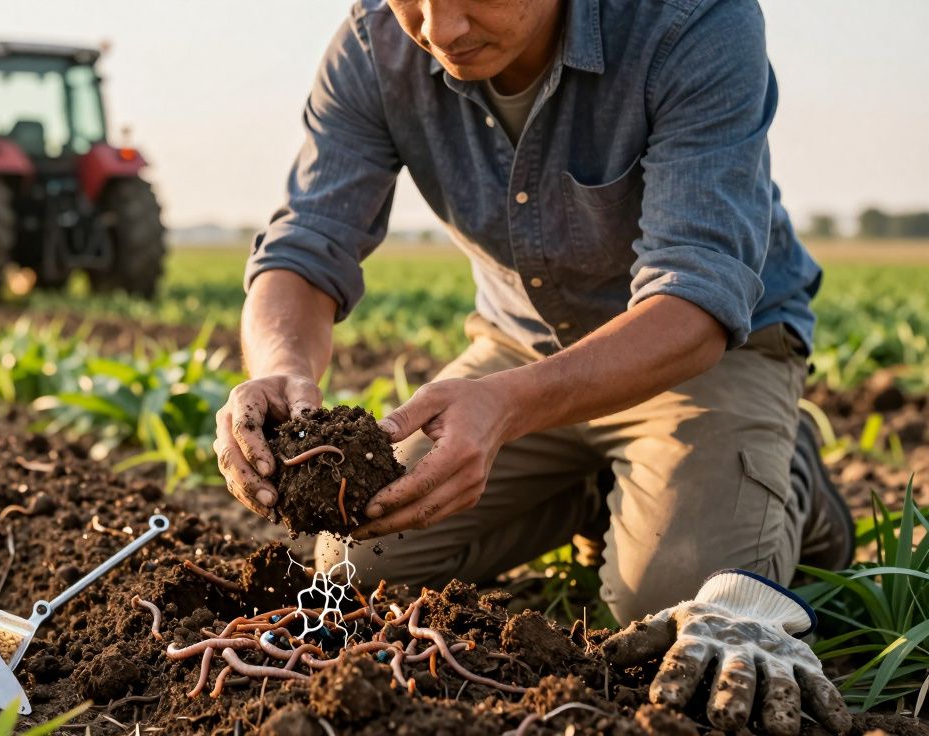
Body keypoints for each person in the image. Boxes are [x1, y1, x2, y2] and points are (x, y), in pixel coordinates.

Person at [213, 0, 856, 732]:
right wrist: (281, 365)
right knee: (356, 564)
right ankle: (598, 487)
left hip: (700, 354)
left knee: (674, 605)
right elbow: (306, 243)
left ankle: (784, 470)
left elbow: (696, 297)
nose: (438, 31)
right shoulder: (375, 42)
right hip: (522, 348)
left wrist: (510, 407)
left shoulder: (694, 20)